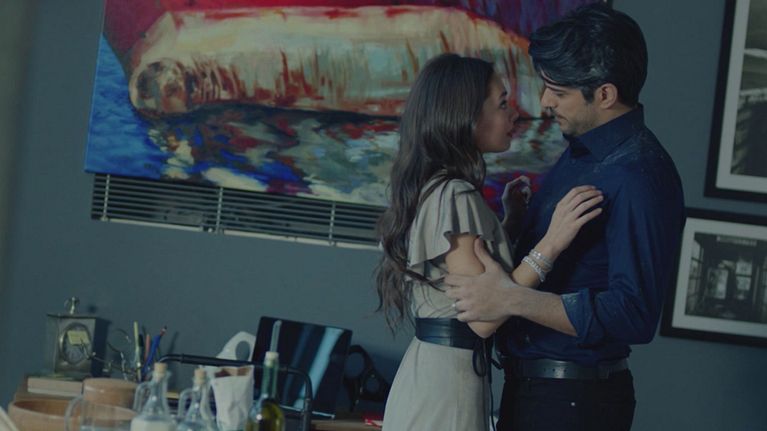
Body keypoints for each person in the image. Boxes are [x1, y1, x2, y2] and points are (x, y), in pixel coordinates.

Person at [444, 4, 686, 431]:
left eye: (558, 91)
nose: (544, 101)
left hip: (573, 402)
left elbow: (634, 314)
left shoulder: (638, 176)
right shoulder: (581, 151)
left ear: (605, 95)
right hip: (537, 392)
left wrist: (512, 298)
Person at [375, 53, 604, 431]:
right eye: (501, 104)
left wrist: (508, 224)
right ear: (465, 116)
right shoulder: (454, 195)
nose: (515, 114)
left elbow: (474, 279)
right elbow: (483, 318)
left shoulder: (440, 189)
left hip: (438, 378)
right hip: (446, 390)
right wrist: (552, 242)